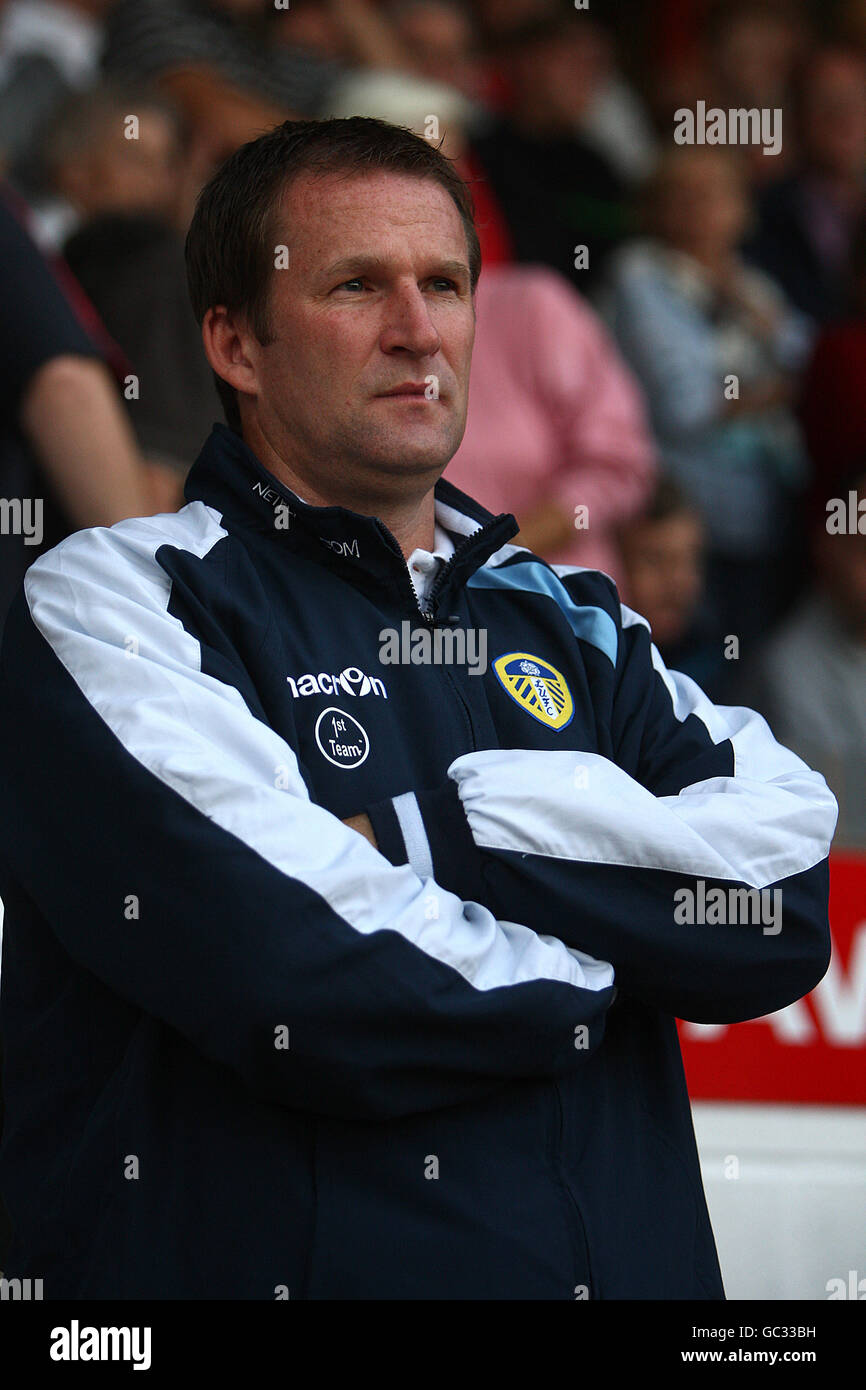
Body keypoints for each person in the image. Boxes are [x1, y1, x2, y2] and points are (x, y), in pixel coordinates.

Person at [0, 117, 836, 1300]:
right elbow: (301, 971)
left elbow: (779, 898)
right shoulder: (116, 598)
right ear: (234, 343)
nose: (416, 329)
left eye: (443, 283)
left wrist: (408, 842)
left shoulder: (577, 621)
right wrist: (626, 945)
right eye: (356, 286)